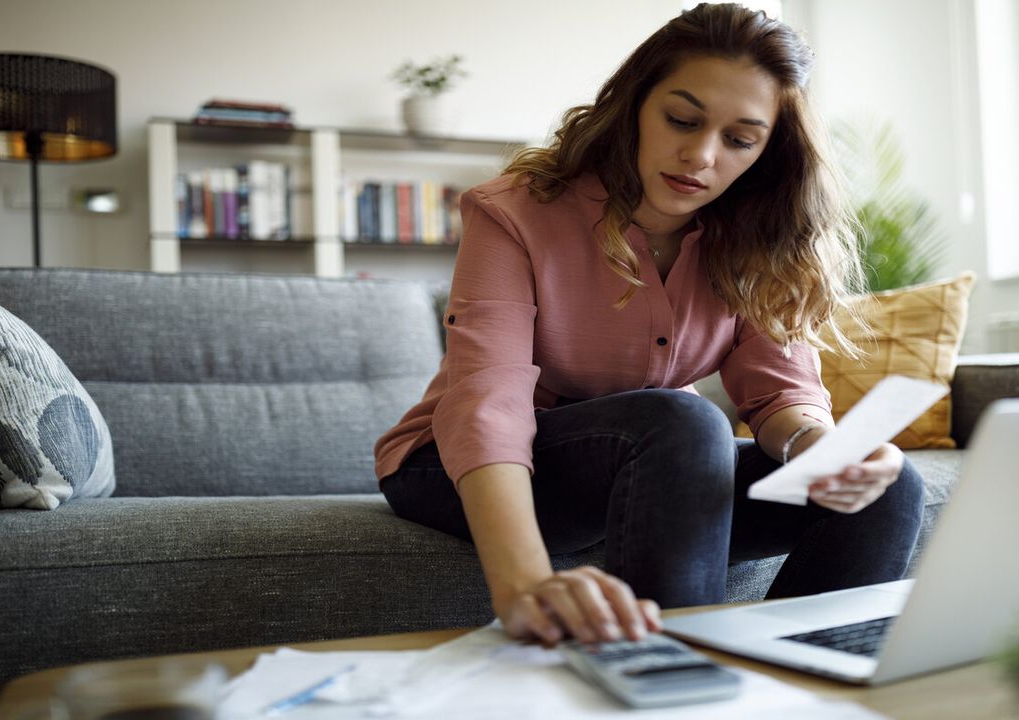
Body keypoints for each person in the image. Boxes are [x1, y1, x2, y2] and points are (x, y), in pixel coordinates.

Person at [375, 2, 924, 648]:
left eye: (739, 139)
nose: (699, 155)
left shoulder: (755, 238)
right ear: (636, 103)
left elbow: (780, 394)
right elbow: (486, 403)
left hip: (658, 472)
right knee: (681, 420)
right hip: (450, 465)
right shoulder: (516, 213)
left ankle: (794, 684)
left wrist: (821, 454)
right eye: (681, 119)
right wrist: (523, 584)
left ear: (767, 151)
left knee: (892, 488)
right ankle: (674, 685)